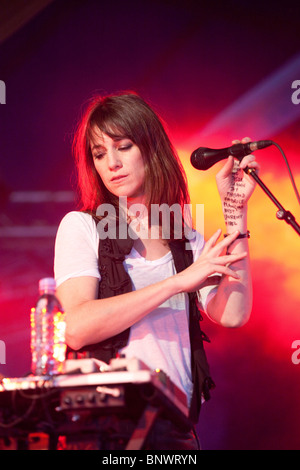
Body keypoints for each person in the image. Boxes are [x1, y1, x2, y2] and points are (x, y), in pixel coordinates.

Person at [54, 92, 259, 450]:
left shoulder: (187, 239)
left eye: (124, 146)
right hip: (106, 429)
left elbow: (233, 314)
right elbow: (77, 328)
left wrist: (235, 211)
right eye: (100, 154)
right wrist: (178, 283)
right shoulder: (81, 226)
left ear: (151, 147)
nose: (111, 163)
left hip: (176, 430)